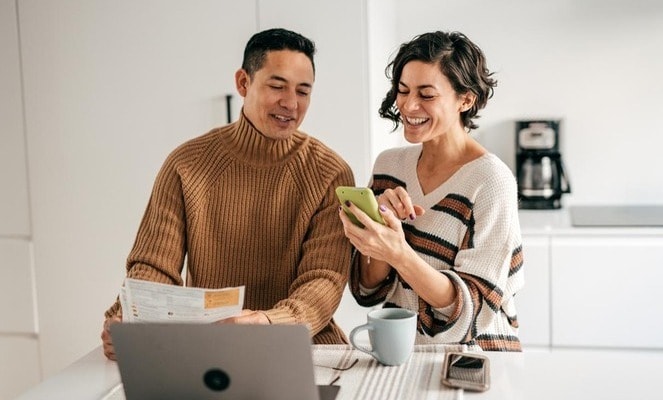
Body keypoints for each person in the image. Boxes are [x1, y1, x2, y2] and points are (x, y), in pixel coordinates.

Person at [101, 28, 355, 360]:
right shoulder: (186, 164)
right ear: (243, 83)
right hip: (211, 349)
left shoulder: (330, 173)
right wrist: (130, 316)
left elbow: (324, 281)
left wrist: (268, 323)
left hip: (304, 350)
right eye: (277, 86)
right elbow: (154, 267)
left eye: (303, 91)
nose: (291, 103)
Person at [338, 31, 524, 351]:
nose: (408, 105)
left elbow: (470, 315)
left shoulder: (492, 181)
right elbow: (367, 291)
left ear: (465, 99)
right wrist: (381, 230)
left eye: (426, 94)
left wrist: (399, 253)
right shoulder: (389, 165)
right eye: (402, 90)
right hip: (404, 352)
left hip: (475, 359)